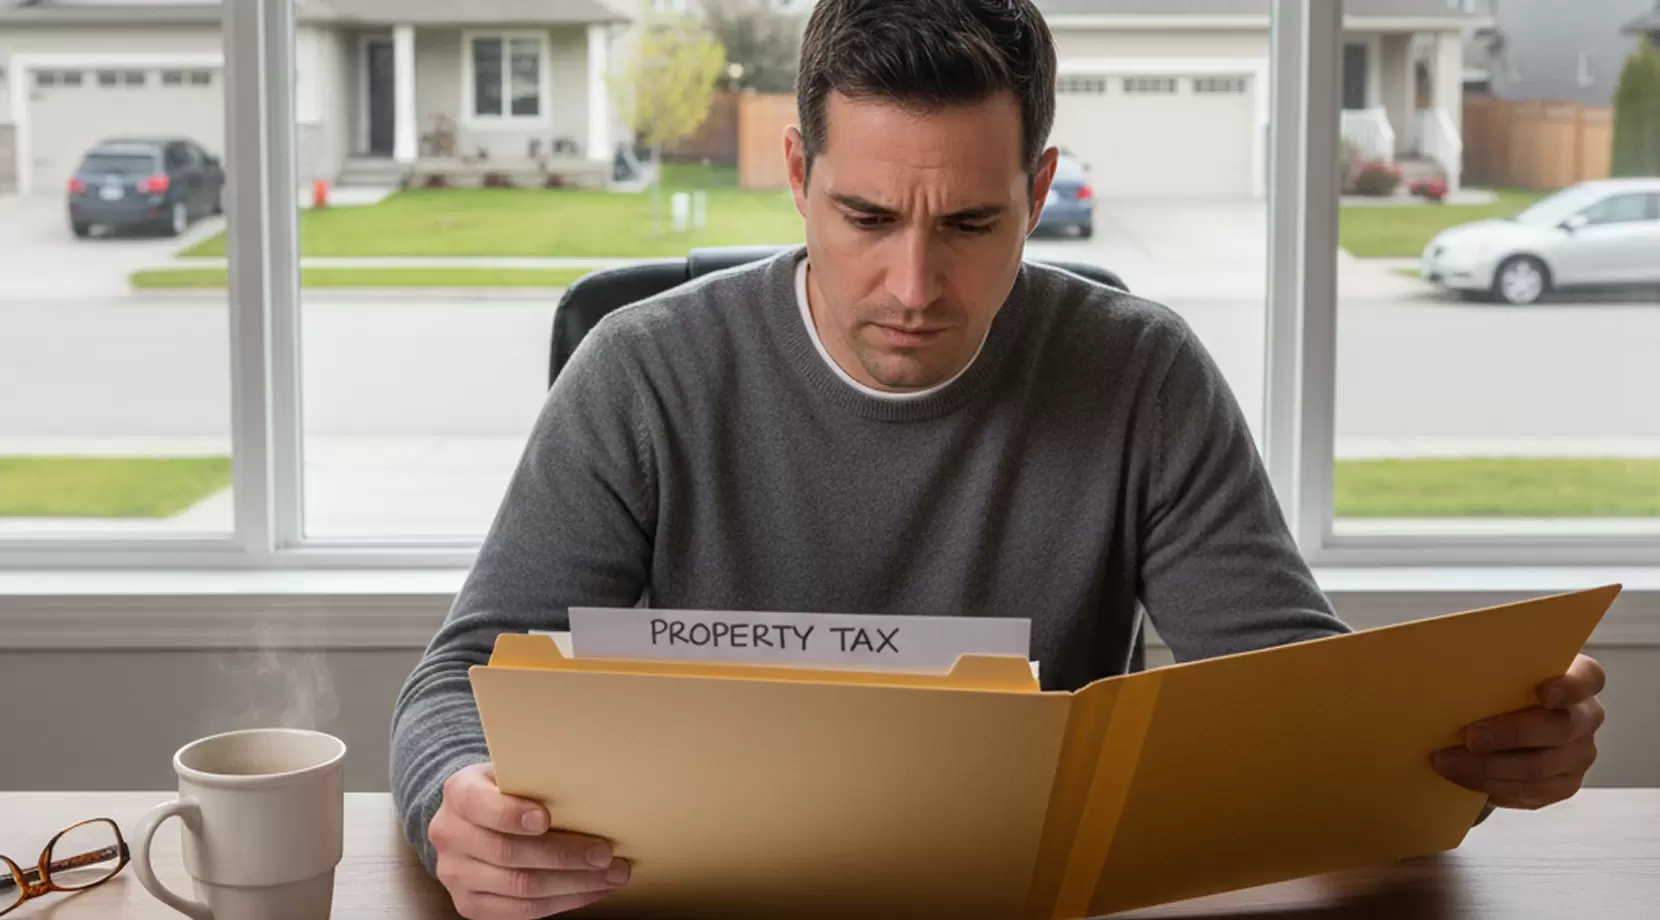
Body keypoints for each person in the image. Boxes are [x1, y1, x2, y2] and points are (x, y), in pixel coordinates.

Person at [390, 1, 1607, 917]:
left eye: (971, 224)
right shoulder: (640, 370)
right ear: (801, 180)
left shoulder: (1141, 373)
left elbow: (1295, 703)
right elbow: (457, 679)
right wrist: (457, 799)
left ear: (1035, 193)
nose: (914, 286)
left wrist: (1473, 756)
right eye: (867, 218)